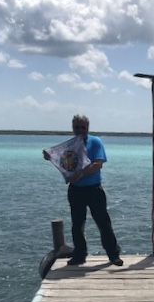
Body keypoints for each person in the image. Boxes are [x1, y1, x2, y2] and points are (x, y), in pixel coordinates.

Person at [43, 114, 123, 266]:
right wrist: (49, 156)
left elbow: (98, 164)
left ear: (88, 127)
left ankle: (113, 255)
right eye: (77, 127)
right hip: (76, 191)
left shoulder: (95, 142)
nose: (80, 130)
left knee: (103, 223)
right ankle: (80, 255)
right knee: (77, 224)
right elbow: (61, 159)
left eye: (83, 127)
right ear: (72, 128)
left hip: (94, 190)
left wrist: (79, 175)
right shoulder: (69, 145)